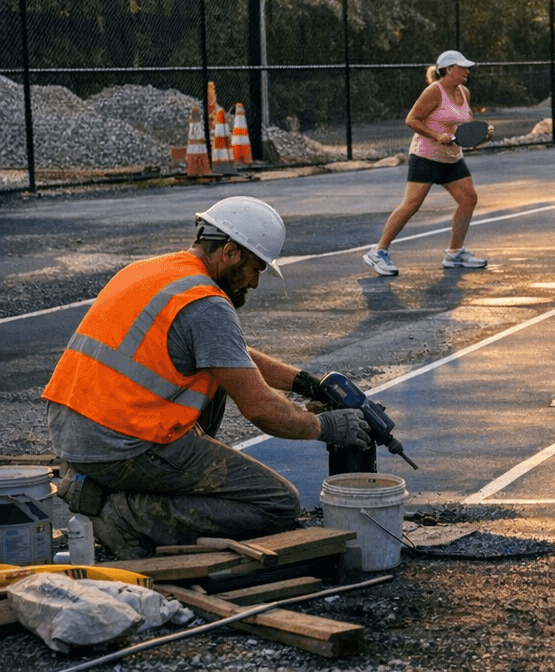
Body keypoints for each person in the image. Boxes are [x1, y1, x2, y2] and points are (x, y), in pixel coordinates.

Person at [43, 197, 374, 558]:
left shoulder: (152, 271)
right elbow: (260, 408)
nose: (255, 282)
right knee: (277, 504)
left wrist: (303, 381)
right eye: (256, 268)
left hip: (75, 431)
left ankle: (106, 488)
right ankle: (127, 517)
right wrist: (324, 426)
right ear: (231, 253)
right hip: (124, 446)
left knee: (216, 379)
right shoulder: (207, 304)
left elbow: (228, 356)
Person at [364, 49, 493, 275]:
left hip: (452, 157)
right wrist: (436, 136)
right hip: (426, 156)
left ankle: (455, 253)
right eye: (462, 67)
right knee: (412, 204)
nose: (466, 71)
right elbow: (411, 119)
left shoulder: (464, 92)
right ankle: (378, 252)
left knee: (468, 199)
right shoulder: (434, 91)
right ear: (449, 70)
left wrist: (482, 134)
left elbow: (463, 128)